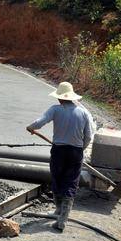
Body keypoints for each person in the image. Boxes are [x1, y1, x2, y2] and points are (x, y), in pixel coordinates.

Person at [26, 82, 94, 232]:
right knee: (70, 182)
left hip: (59, 151)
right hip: (75, 152)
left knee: (57, 177)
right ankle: (61, 216)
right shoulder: (82, 113)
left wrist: (31, 127)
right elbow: (88, 136)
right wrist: (80, 149)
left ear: (60, 98)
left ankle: (59, 213)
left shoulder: (55, 110)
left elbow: (40, 122)